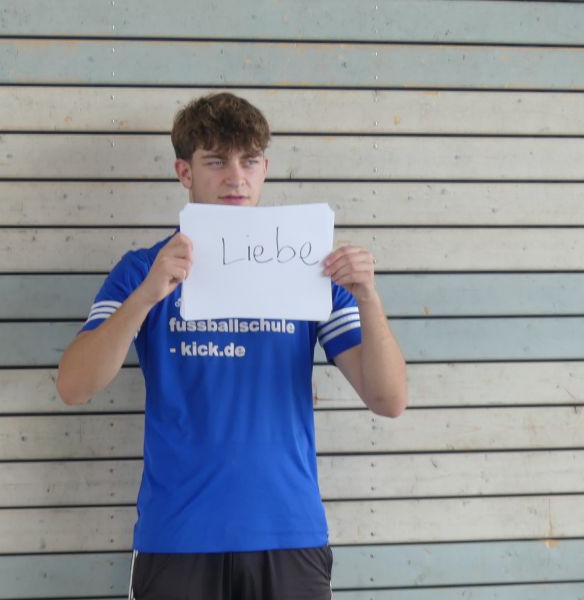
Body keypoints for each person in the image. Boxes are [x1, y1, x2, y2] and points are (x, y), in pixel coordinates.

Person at [57, 92, 407, 600]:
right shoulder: (142, 270)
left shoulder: (310, 272)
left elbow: (389, 400)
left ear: (265, 169)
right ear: (184, 171)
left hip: (289, 535)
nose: (236, 177)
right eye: (216, 161)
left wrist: (369, 297)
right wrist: (148, 295)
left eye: (249, 161)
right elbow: (73, 387)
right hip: (178, 538)